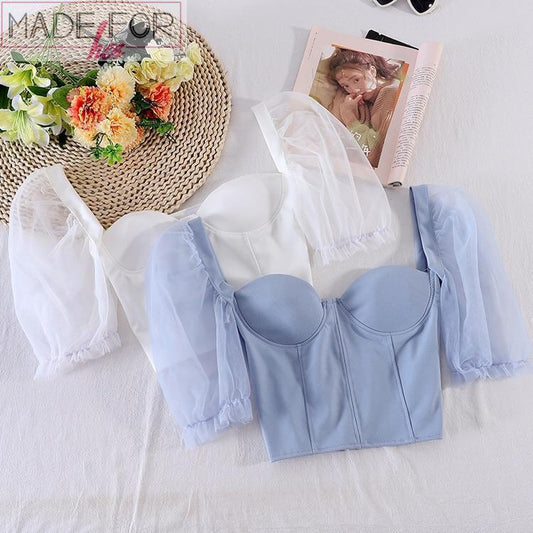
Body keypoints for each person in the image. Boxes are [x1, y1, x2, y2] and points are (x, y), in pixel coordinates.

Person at [328, 49, 401, 167]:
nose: (354, 90)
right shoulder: (363, 104)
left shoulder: (391, 93)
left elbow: (374, 157)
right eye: (346, 86)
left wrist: (349, 117)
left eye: (356, 80)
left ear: (372, 71)